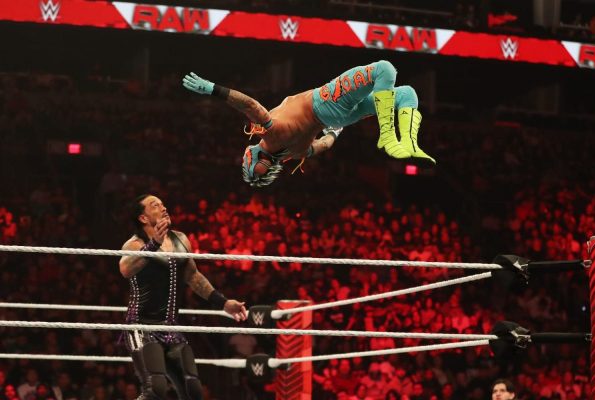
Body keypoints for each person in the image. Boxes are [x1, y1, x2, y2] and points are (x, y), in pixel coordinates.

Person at [182, 60, 435, 187]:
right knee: (385, 70)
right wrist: (213, 89)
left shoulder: (296, 152)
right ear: (254, 159)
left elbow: (324, 145)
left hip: (338, 118)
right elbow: (251, 106)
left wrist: (336, 130)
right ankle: (388, 134)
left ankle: (407, 140)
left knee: (407, 94)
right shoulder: (272, 136)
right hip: (326, 101)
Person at [119, 194, 248, 399]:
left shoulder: (180, 239)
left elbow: (193, 276)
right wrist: (153, 244)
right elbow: (125, 269)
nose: (163, 208)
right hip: (142, 327)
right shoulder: (134, 244)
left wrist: (223, 302)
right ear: (143, 218)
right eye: (155, 205)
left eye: (163, 204)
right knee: (155, 389)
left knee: (192, 389)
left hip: (171, 328)